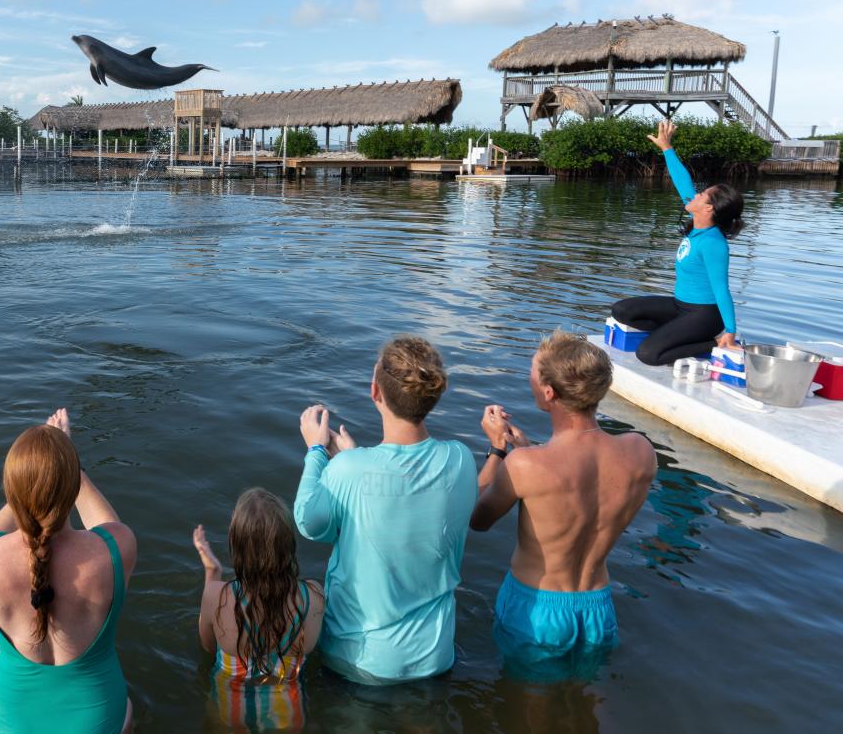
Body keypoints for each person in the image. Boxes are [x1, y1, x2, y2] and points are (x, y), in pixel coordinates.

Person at [471, 332, 657, 679]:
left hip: (538, 610)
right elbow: (581, 472)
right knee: (585, 710)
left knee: (528, 714)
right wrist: (529, 449)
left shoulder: (525, 466)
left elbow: (477, 518)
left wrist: (498, 451)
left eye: (533, 372)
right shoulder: (641, 451)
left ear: (548, 392)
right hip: (598, 608)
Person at [292, 336, 477, 684]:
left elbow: (309, 522)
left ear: (375, 391)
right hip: (434, 657)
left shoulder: (349, 470)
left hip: (360, 662)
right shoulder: (460, 459)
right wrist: (350, 459)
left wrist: (317, 453)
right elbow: (402, 482)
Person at [0, 409, 137, 734]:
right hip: (98, 721)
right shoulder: (116, 550)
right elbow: (109, 525)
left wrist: (33, 483)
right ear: (72, 487)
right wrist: (67, 464)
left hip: (10, 721)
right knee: (126, 711)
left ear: (11, 491)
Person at [610, 119, 746, 366]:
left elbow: (721, 289)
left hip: (704, 314)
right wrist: (666, 148)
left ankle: (713, 342)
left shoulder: (714, 243)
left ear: (709, 207)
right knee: (622, 310)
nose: (696, 193)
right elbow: (682, 181)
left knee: (648, 354)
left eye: (702, 194)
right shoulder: (698, 222)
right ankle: (676, 333)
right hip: (679, 305)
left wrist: (730, 330)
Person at [192, 489, 326, 732]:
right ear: (289, 544)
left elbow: (208, 649)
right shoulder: (313, 597)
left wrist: (212, 573)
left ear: (236, 545)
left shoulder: (217, 596)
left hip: (228, 711)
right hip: (289, 714)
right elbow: (310, 649)